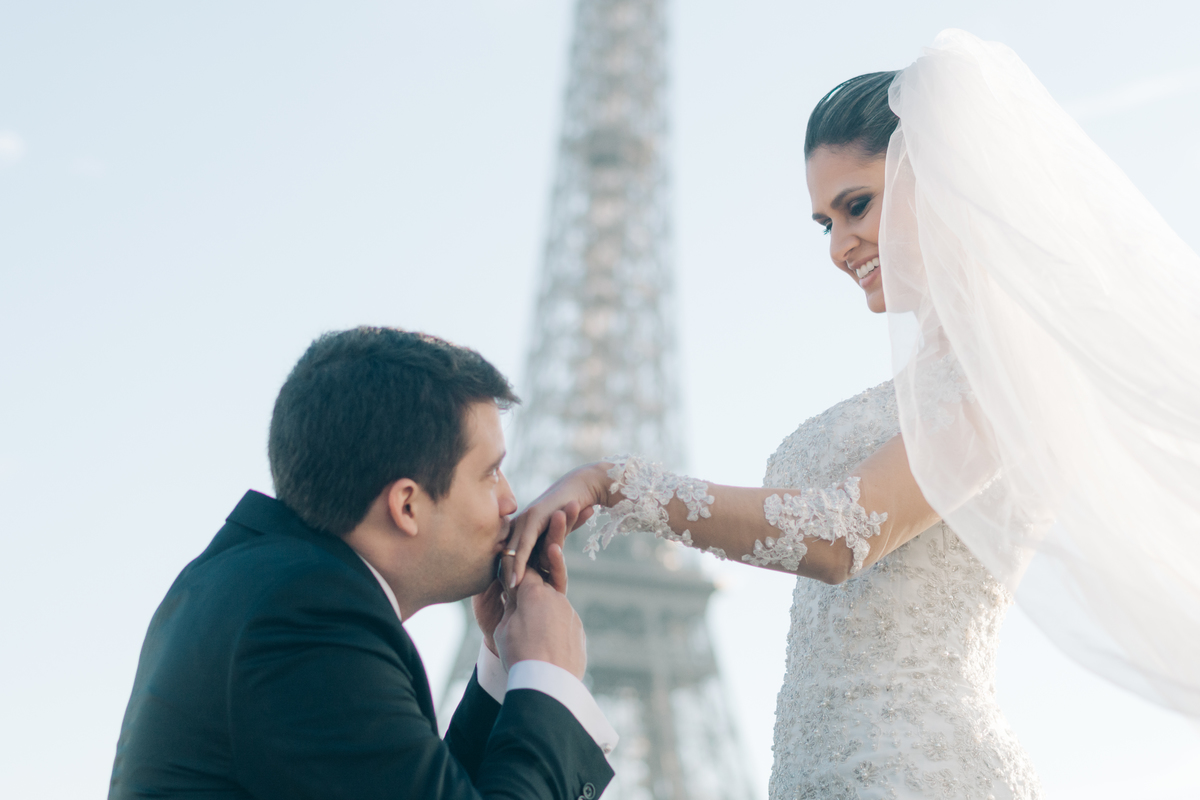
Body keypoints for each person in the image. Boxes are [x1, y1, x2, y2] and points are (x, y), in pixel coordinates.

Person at [505, 30, 1200, 800]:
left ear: (941, 178)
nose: (840, 245)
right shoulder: (917, 389)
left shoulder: (1008, 373)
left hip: (923, 771)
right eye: (824, 223)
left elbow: (843, 536)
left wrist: (617, 486)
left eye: (857, 205)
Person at [109, 327, 617, 800]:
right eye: (491, 473)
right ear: (407, 505)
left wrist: (505, 665)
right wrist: (547, 677)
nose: (511, 501)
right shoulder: (306, 620)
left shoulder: (265, 590)